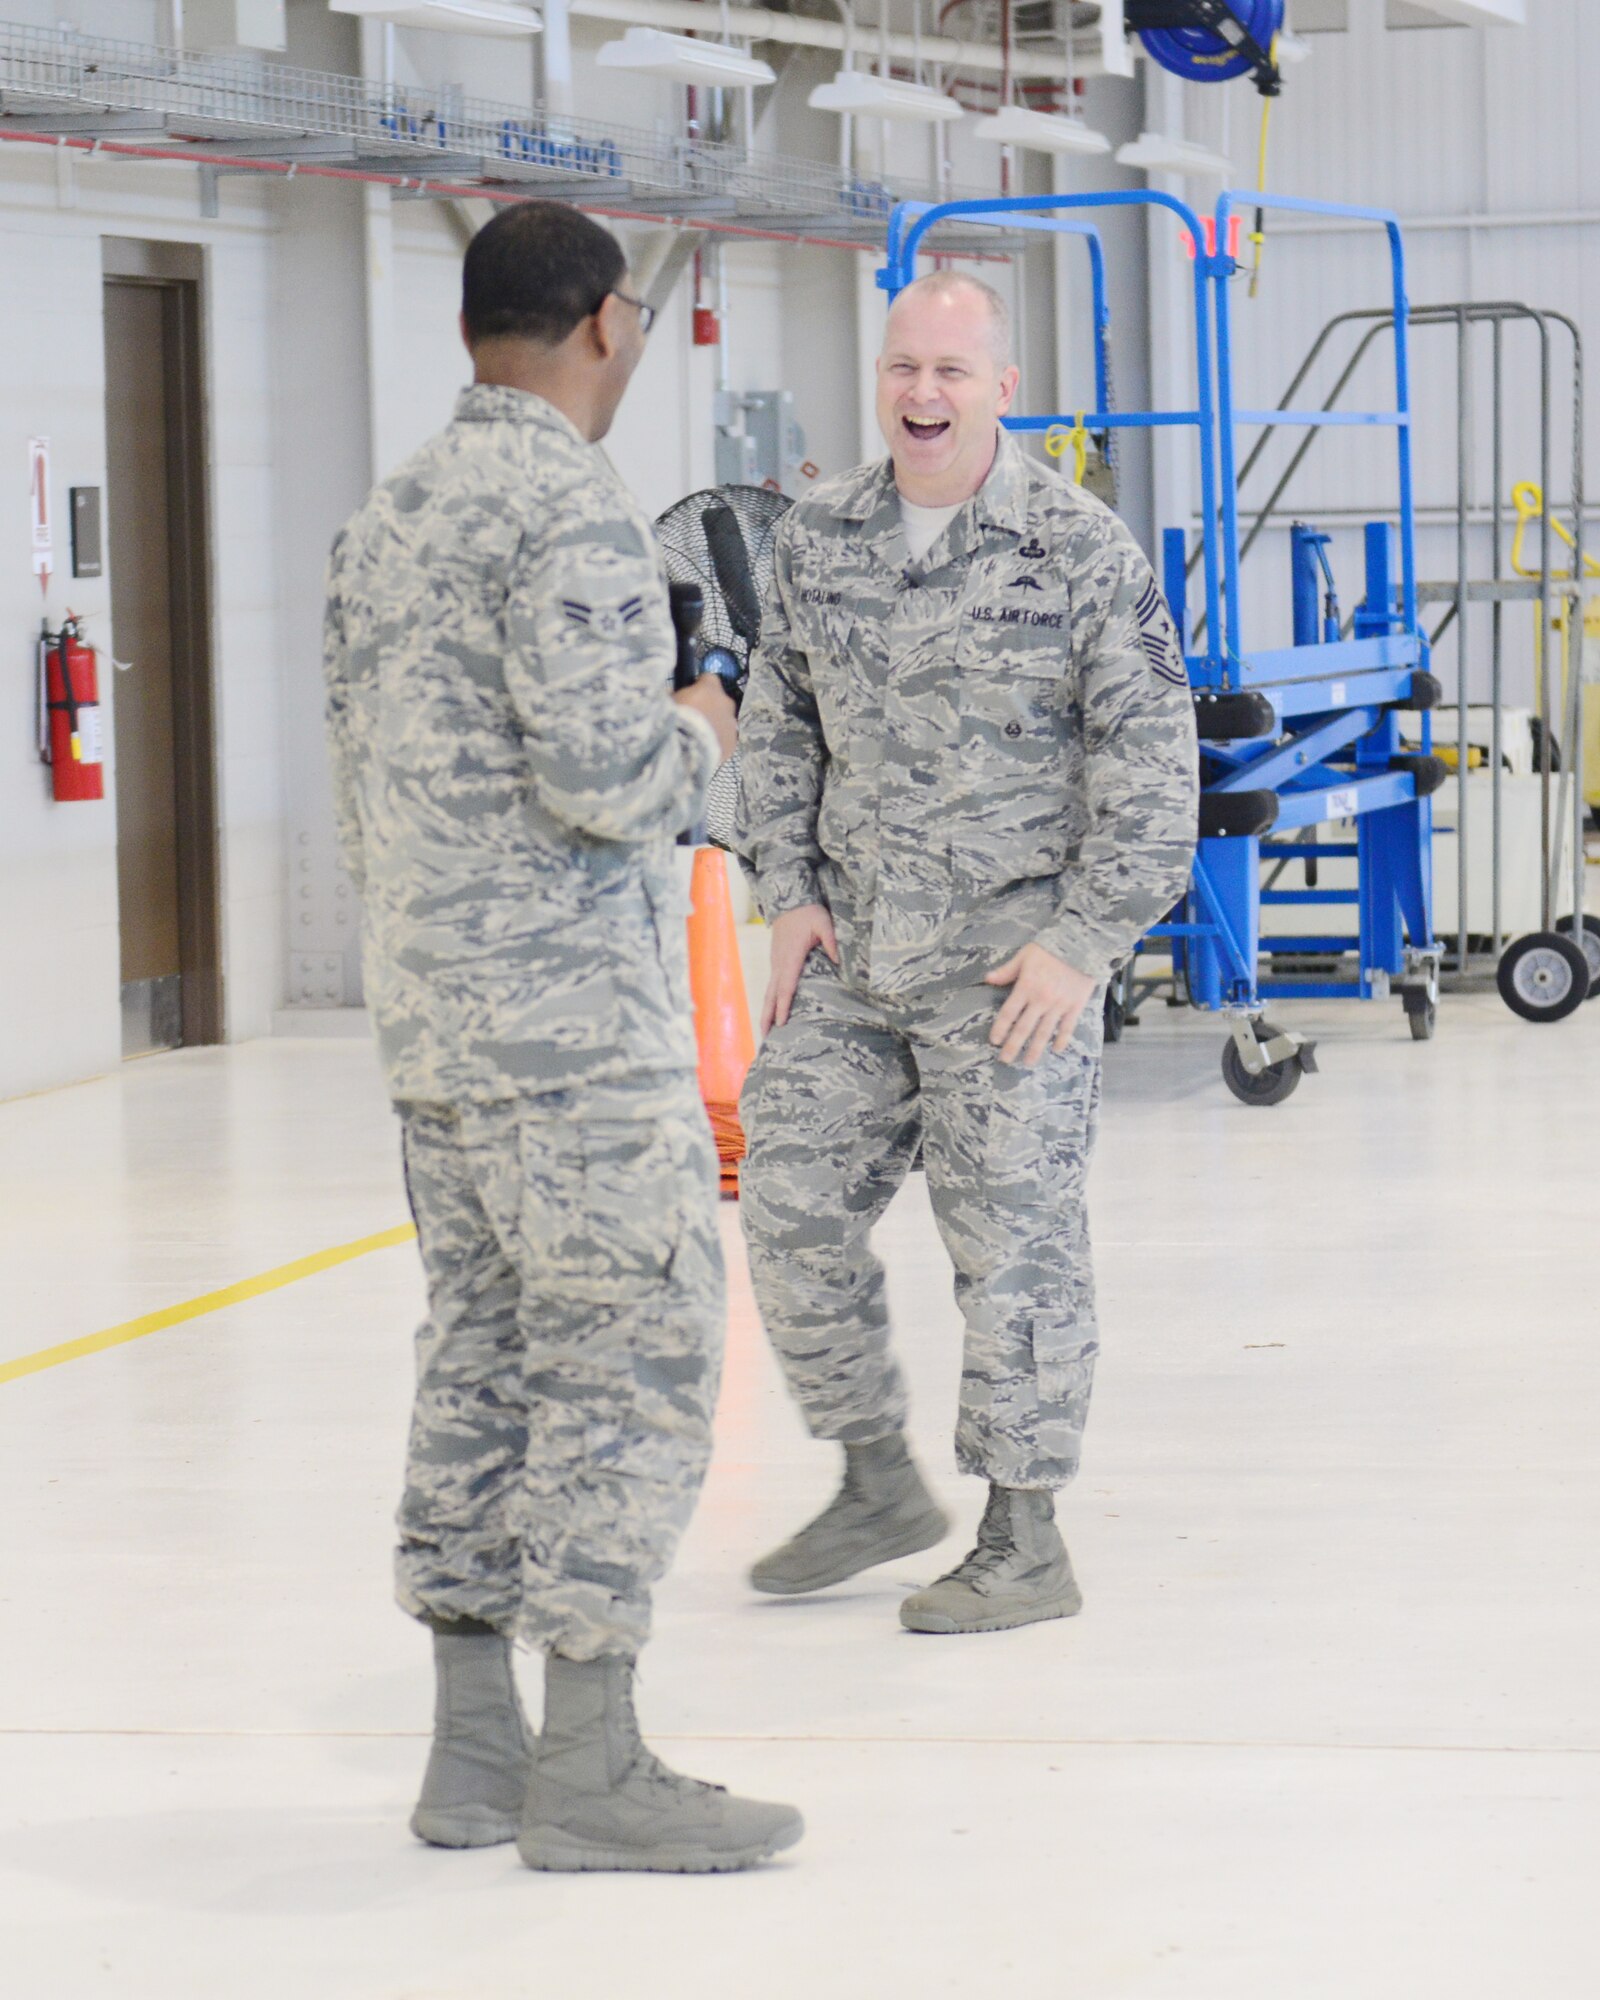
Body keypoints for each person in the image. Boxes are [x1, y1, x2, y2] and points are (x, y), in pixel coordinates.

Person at [323, 200, 801, 1872]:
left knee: (480, 1360)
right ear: (605, 323)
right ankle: (592, 1764)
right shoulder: (573, 520)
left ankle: (473, 1753)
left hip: (435, 1044)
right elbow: (605, 787)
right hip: (577, 1050)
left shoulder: (385, 524)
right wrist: (703, 718)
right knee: (637, 1357)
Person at [735, 270, 1198, 1636]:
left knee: (1015, 1248)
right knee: (787, 1201)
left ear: (1005, 387)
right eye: (902, 370)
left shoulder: (1079, 549)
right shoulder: (818, 536)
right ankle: (877, 1478)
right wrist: (788, 890)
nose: (922, 396)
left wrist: (1085, 942)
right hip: (859, 958)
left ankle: (1024, 1537)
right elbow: (779, 720)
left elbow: (1154, 762)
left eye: (951, 371)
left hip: (1013, 974)